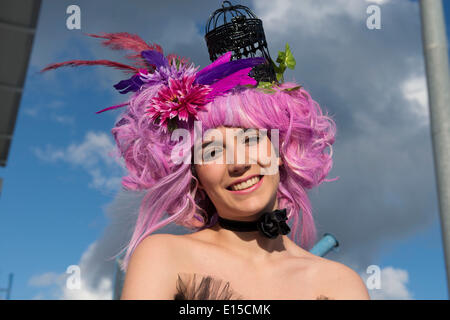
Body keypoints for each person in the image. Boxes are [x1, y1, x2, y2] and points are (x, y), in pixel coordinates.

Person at [41, 15, 370, 301]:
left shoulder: (341, 285)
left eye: (252, 139)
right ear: (195, 175)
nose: (237, 163)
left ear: (280, 152)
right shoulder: (164, 258)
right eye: (212, 150)